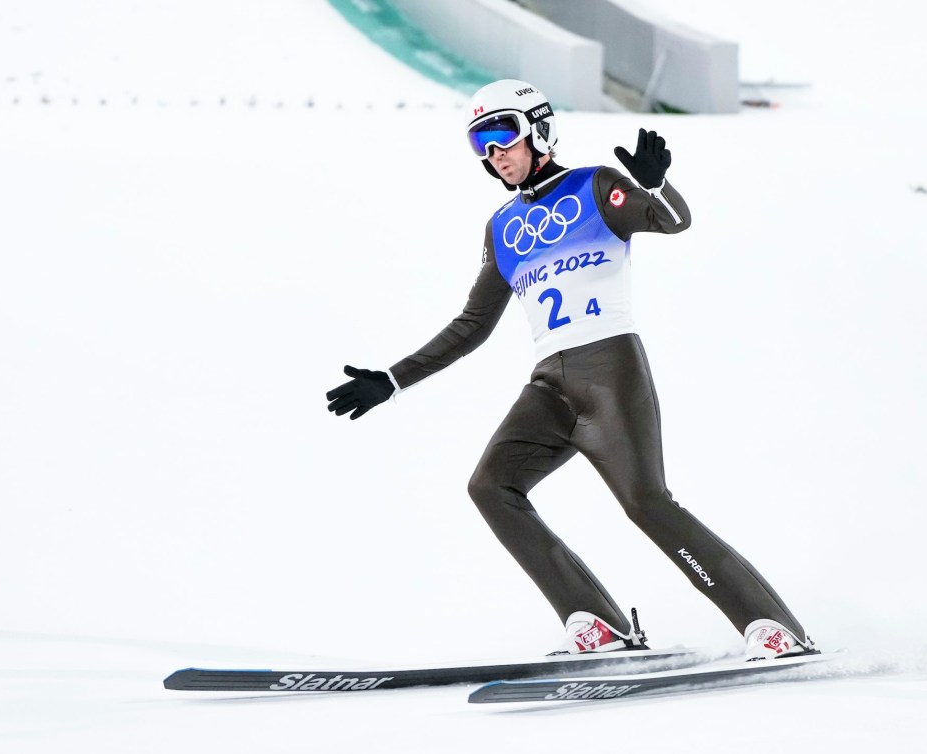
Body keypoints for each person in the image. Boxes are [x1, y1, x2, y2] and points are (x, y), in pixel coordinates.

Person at [326, 79, 815, 661]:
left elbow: (672, 220)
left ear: (539, 129)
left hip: (610, 368)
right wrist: (393, 378)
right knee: (492, 486)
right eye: (480, 143)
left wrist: (653, 184)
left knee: (647, 503)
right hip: (550, 384)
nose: (494, 153)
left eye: (502, 134)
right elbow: (471, 326)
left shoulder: (594, 186)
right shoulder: (503, 226)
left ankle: (774, 627)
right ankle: (599, 624)